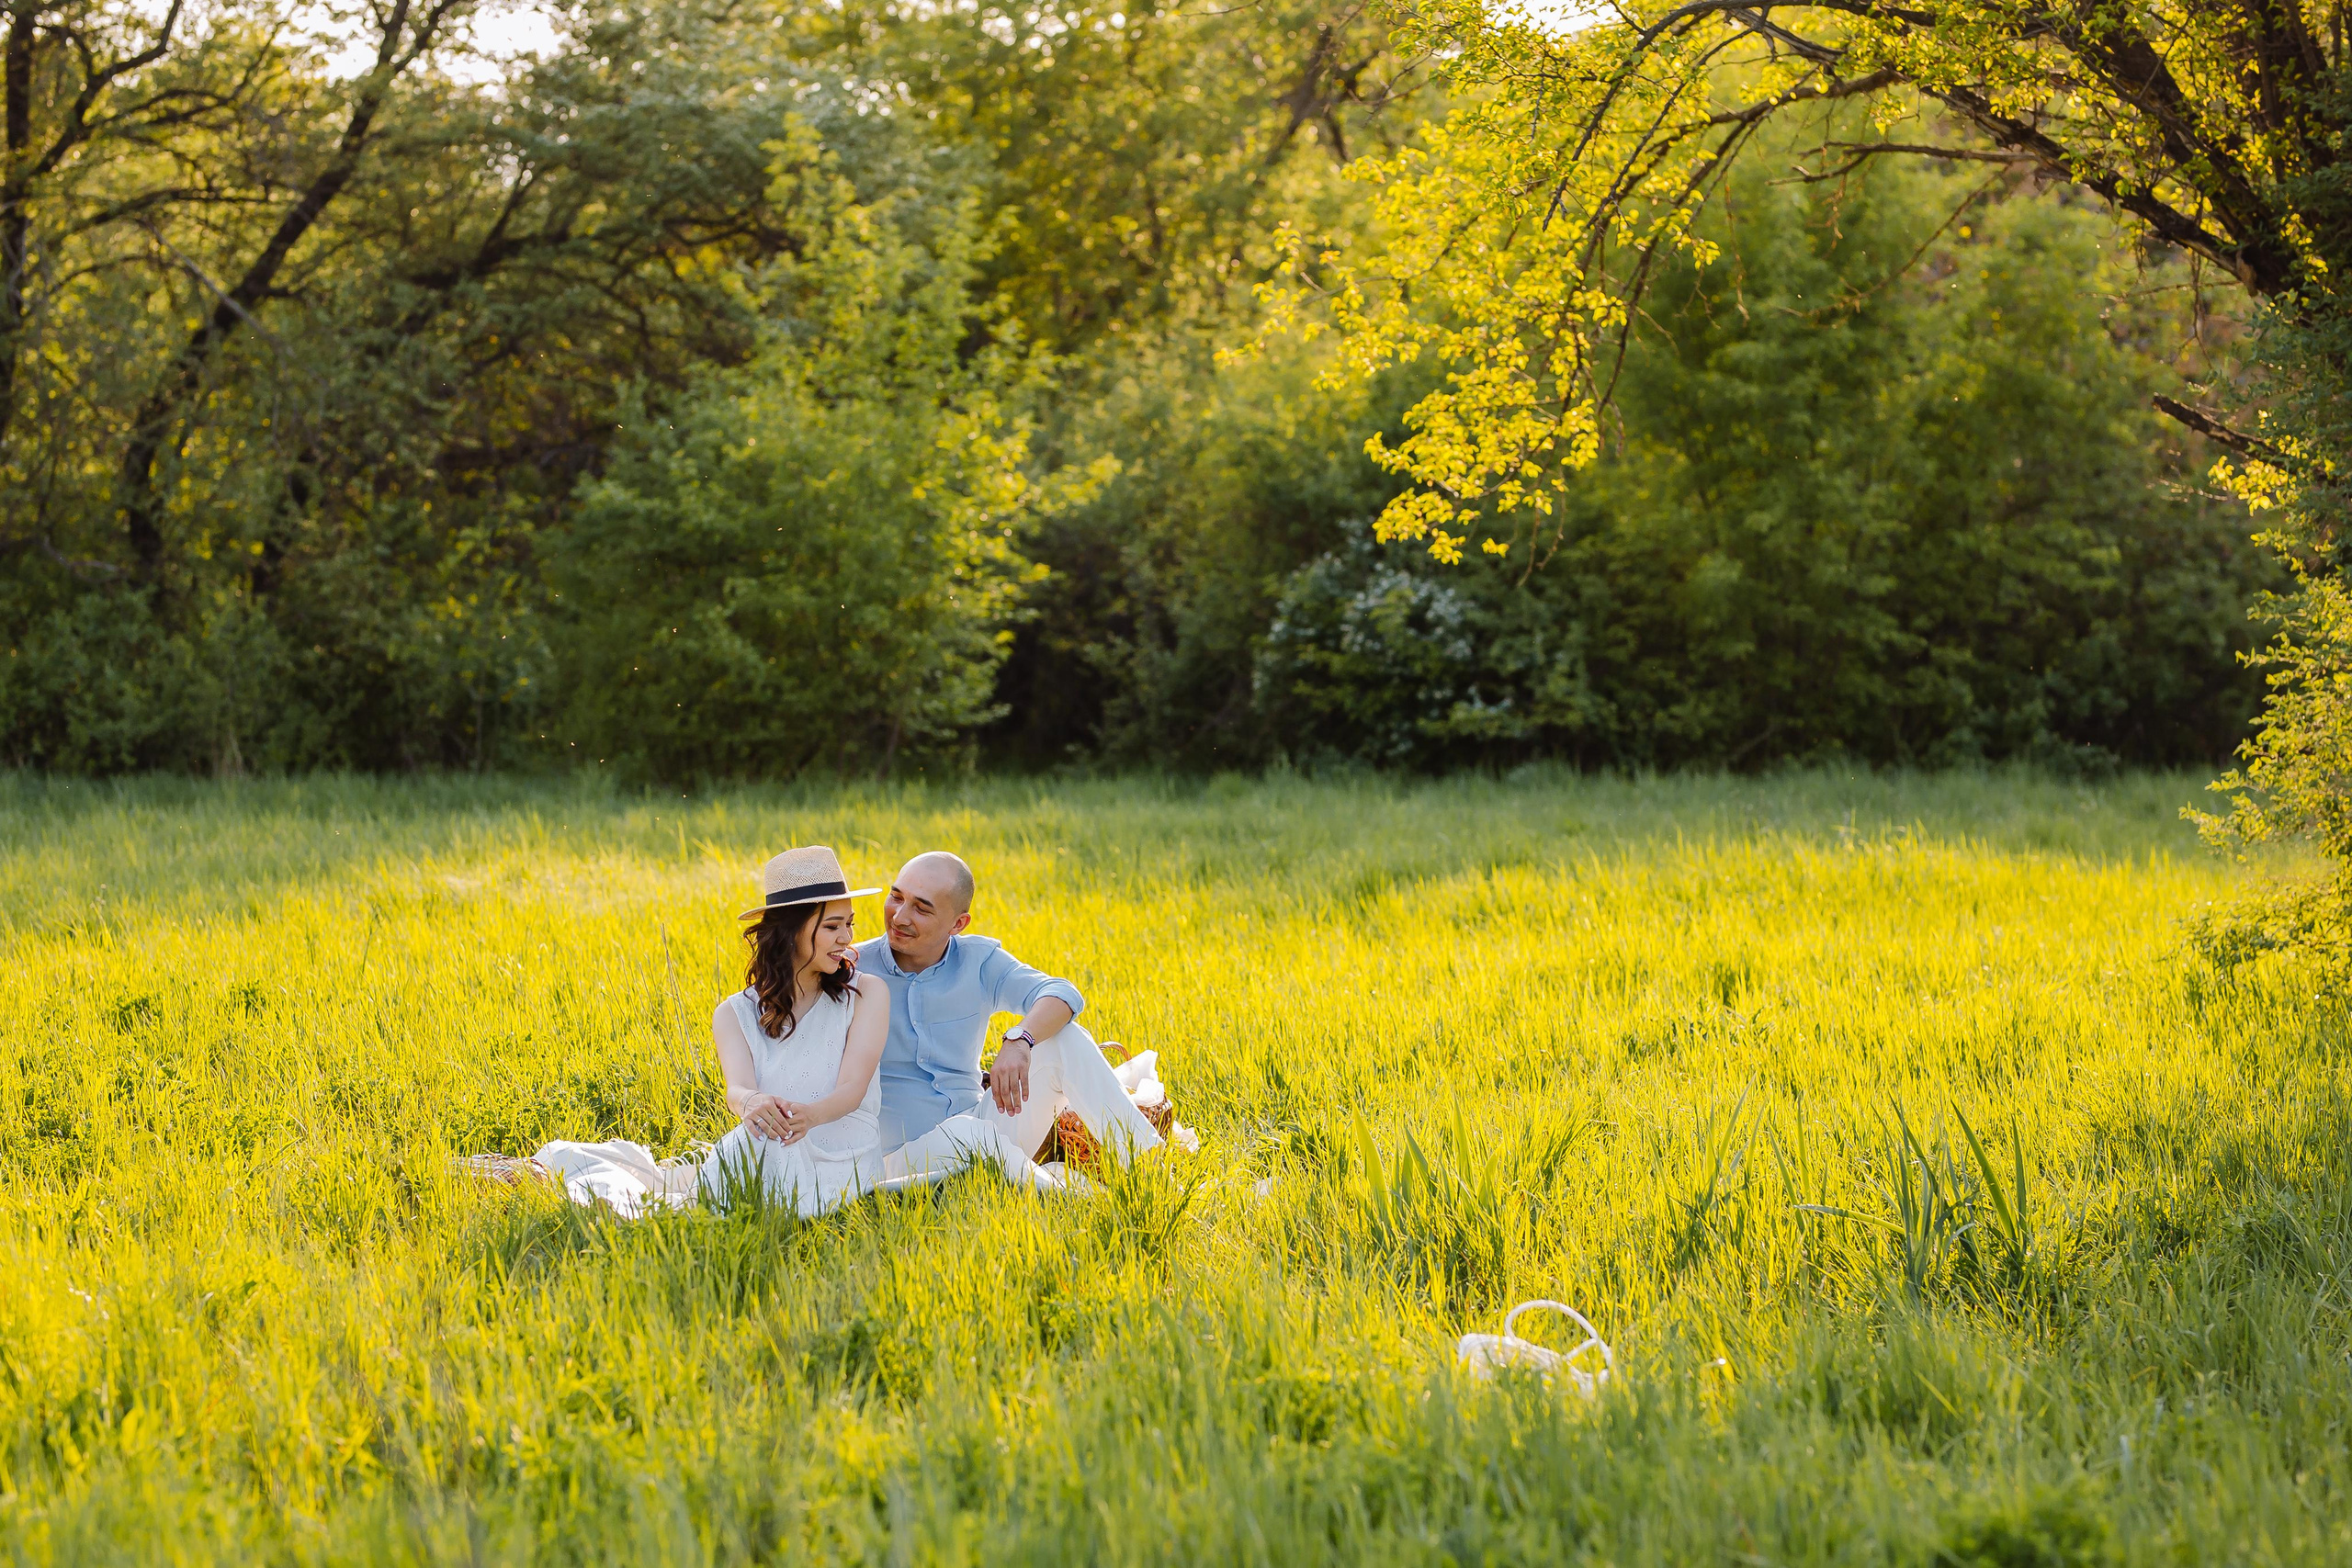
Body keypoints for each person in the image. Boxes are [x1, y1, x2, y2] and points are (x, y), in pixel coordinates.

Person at [530, 844, 890, 1217]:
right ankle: (676, 1212)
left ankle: (677, 1212)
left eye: (849, 923)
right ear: (792, 930)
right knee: (756, 1141)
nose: (847, 937)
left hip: (845, 1154)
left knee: (764, 1148)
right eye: (833, 926)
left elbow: (853, 1087)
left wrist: (809, 1116)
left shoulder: (867, 993)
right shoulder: (734, 1013)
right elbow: (738, 1089)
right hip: (775, 1143)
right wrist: (753, 1104)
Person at [855, 851, 1162, 1190]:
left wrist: (1020, 1039)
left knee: (1063, 1039)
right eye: (895, 897)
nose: (899, 916)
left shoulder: (978, 960)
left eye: (921, 908)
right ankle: (1082, 1201)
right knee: (969, 1135)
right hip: (898, 1157)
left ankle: (1151, 1171)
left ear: (958, 924)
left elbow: (1062, 993)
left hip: (983, 1126)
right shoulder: (851, 969)